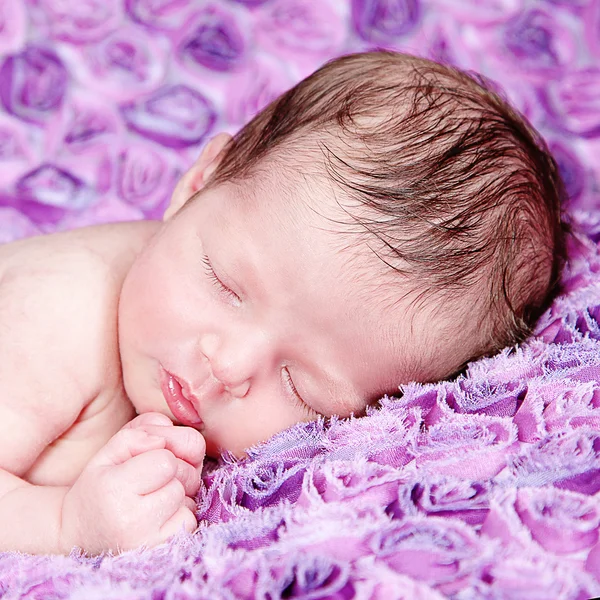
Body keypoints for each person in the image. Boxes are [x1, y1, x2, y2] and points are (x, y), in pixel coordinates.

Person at [0, 51, 566, 555]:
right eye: (226, 285)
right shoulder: (53, 315)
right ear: (199, 183)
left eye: (302, 385)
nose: (231, 366)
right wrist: (64, 528)